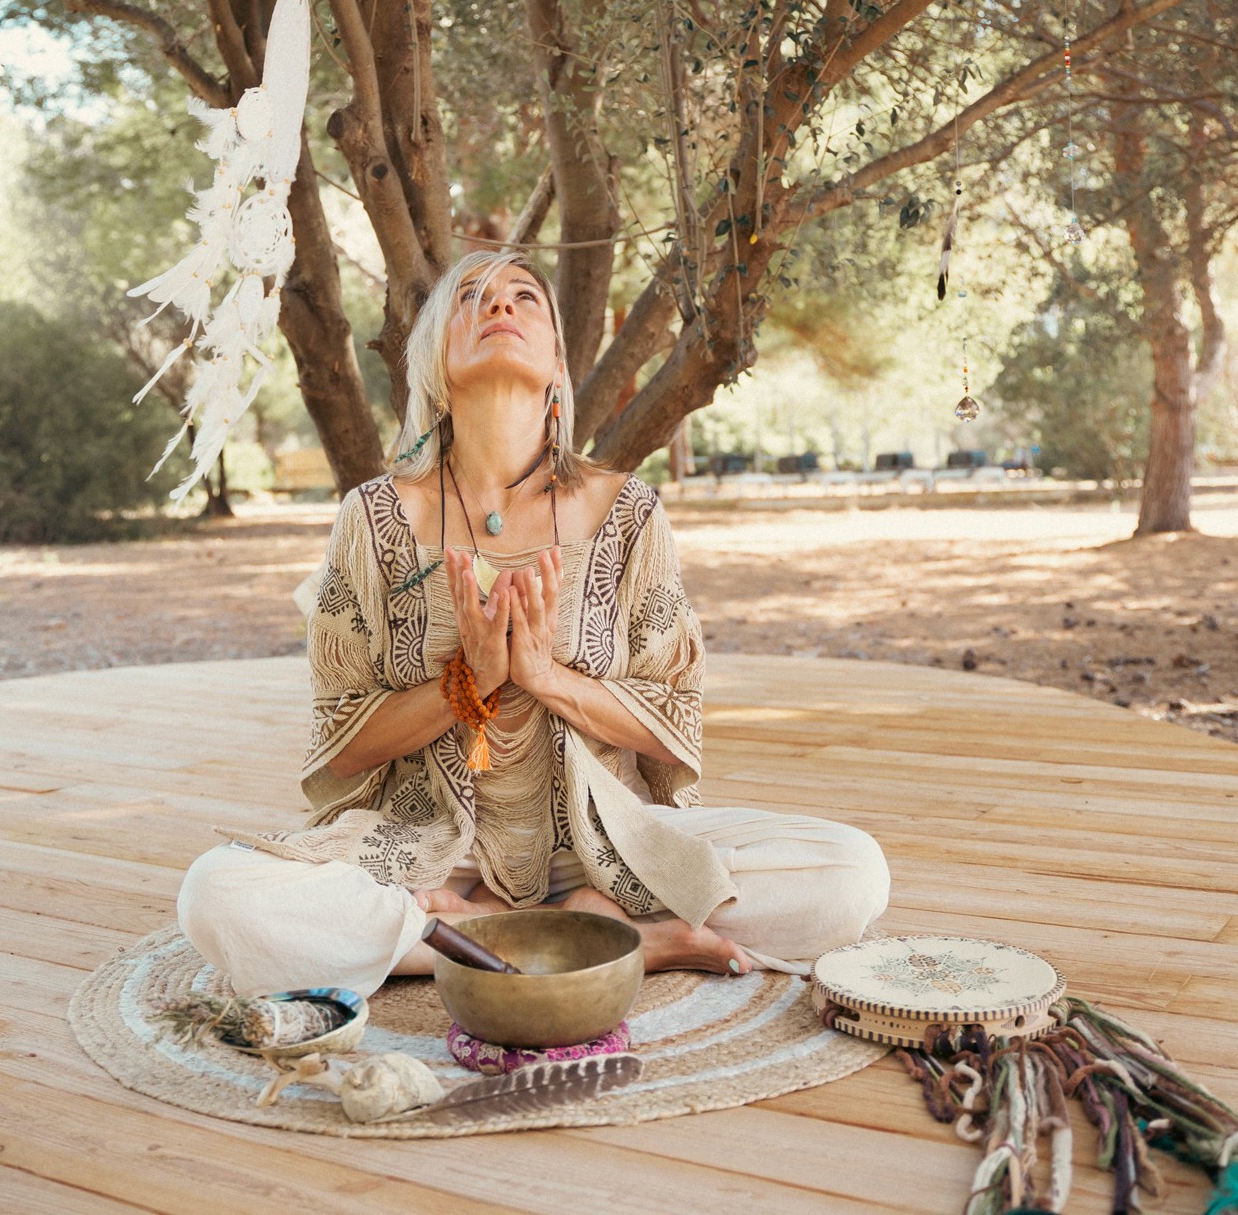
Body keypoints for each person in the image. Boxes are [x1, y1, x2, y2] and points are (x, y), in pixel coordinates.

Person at [177, 250, 889, 998]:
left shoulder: (627, 513)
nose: (500, 308)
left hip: (606, 843)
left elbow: (673, 719)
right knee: (218, 895)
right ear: (434, 361)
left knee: (849, 873)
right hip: (428, 849)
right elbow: (341, 746)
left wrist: (544, 675)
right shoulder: (374, 518)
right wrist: (470, 683)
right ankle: (599, 939)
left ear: (556, 362)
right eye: (473, 299)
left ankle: (477, 932)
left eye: (525, 298)